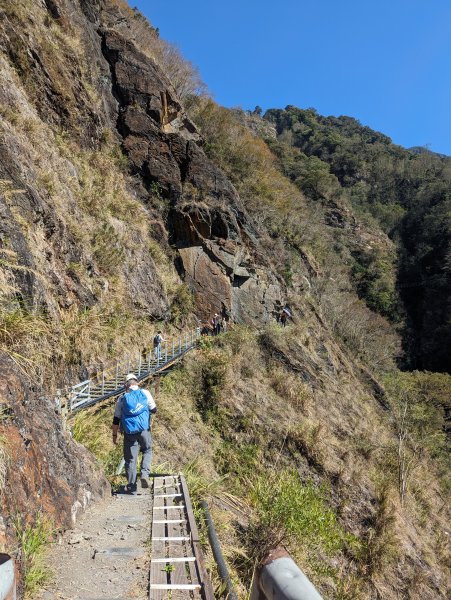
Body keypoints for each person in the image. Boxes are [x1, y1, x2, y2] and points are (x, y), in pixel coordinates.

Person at [112, 373, 156, 493]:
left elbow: (116, 419)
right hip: (144, 429)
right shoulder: (145, 393)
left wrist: (114, 435)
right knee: (147, 450)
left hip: (129, 432)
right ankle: (144, 475)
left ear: (125, 385)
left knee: (130, 459)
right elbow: (154, 409)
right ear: (137, 382)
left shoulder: (122, 398)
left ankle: (131, 485)